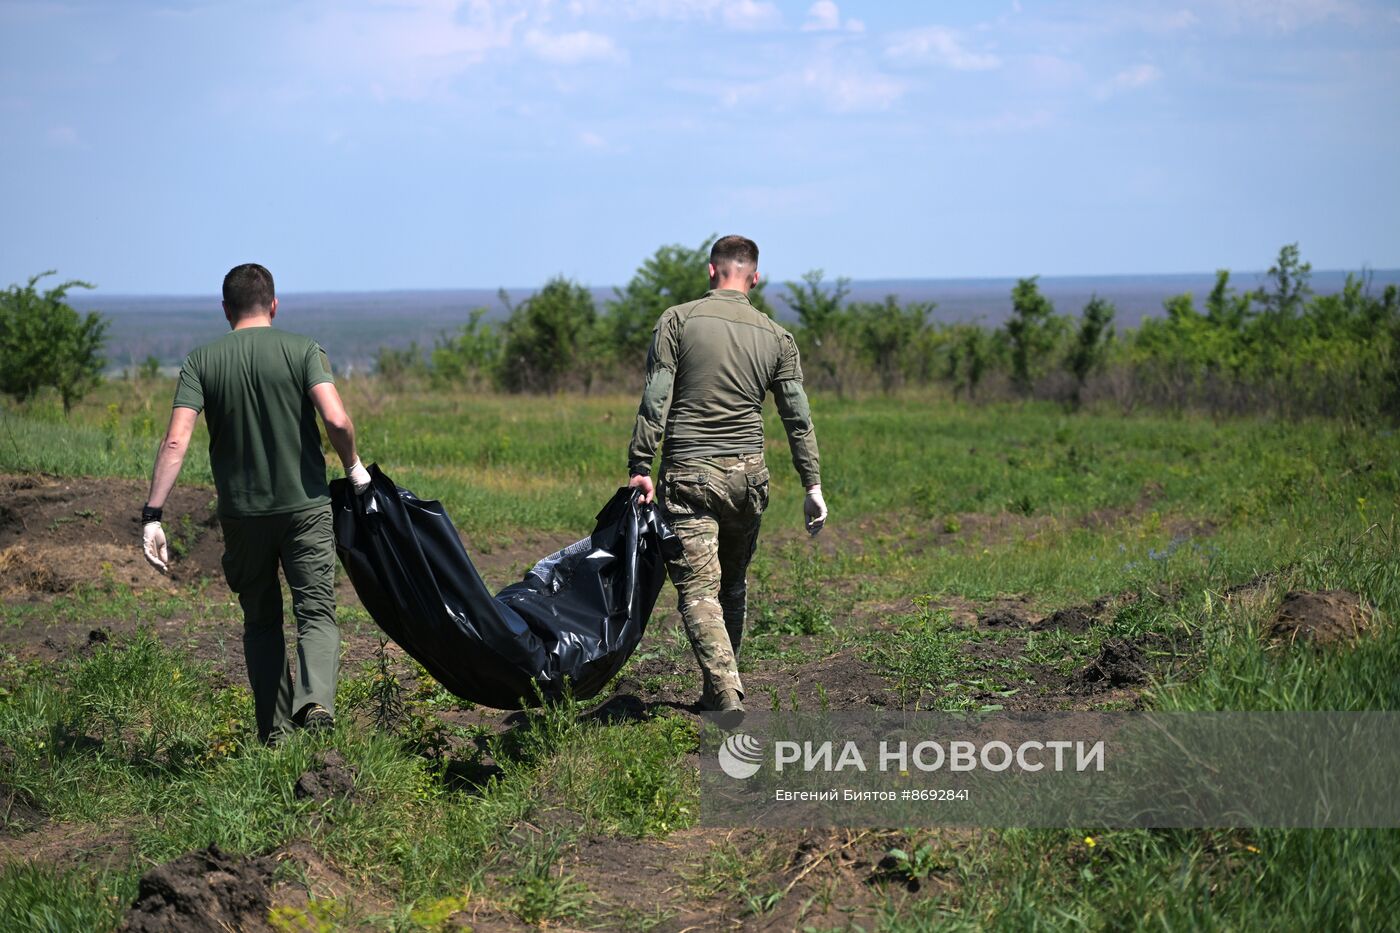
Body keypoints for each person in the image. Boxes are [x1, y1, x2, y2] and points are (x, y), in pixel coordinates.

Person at [140, 263, 371, 745]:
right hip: (305, 509)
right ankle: (316, 702)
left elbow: (176, 443)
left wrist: (153, 515)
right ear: (273, 304)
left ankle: (277, 734)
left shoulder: (200, 362)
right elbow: (337, 418)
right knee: (316, 613)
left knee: (261, 622)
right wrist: (352, 466)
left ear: (226, 310)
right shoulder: (303, 350)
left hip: (242, 517)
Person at [627, 235, 827, 722]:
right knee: (732, 586)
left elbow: (657, 397)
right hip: (748, 479)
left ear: (711, 271)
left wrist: (640, 466)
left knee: (698, 590)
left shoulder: (678, 320)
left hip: (690, 475)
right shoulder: (777, 336)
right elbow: (796, 418)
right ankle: (718, 691)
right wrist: (812, 485)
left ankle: (726, 691)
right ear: (754, 278)